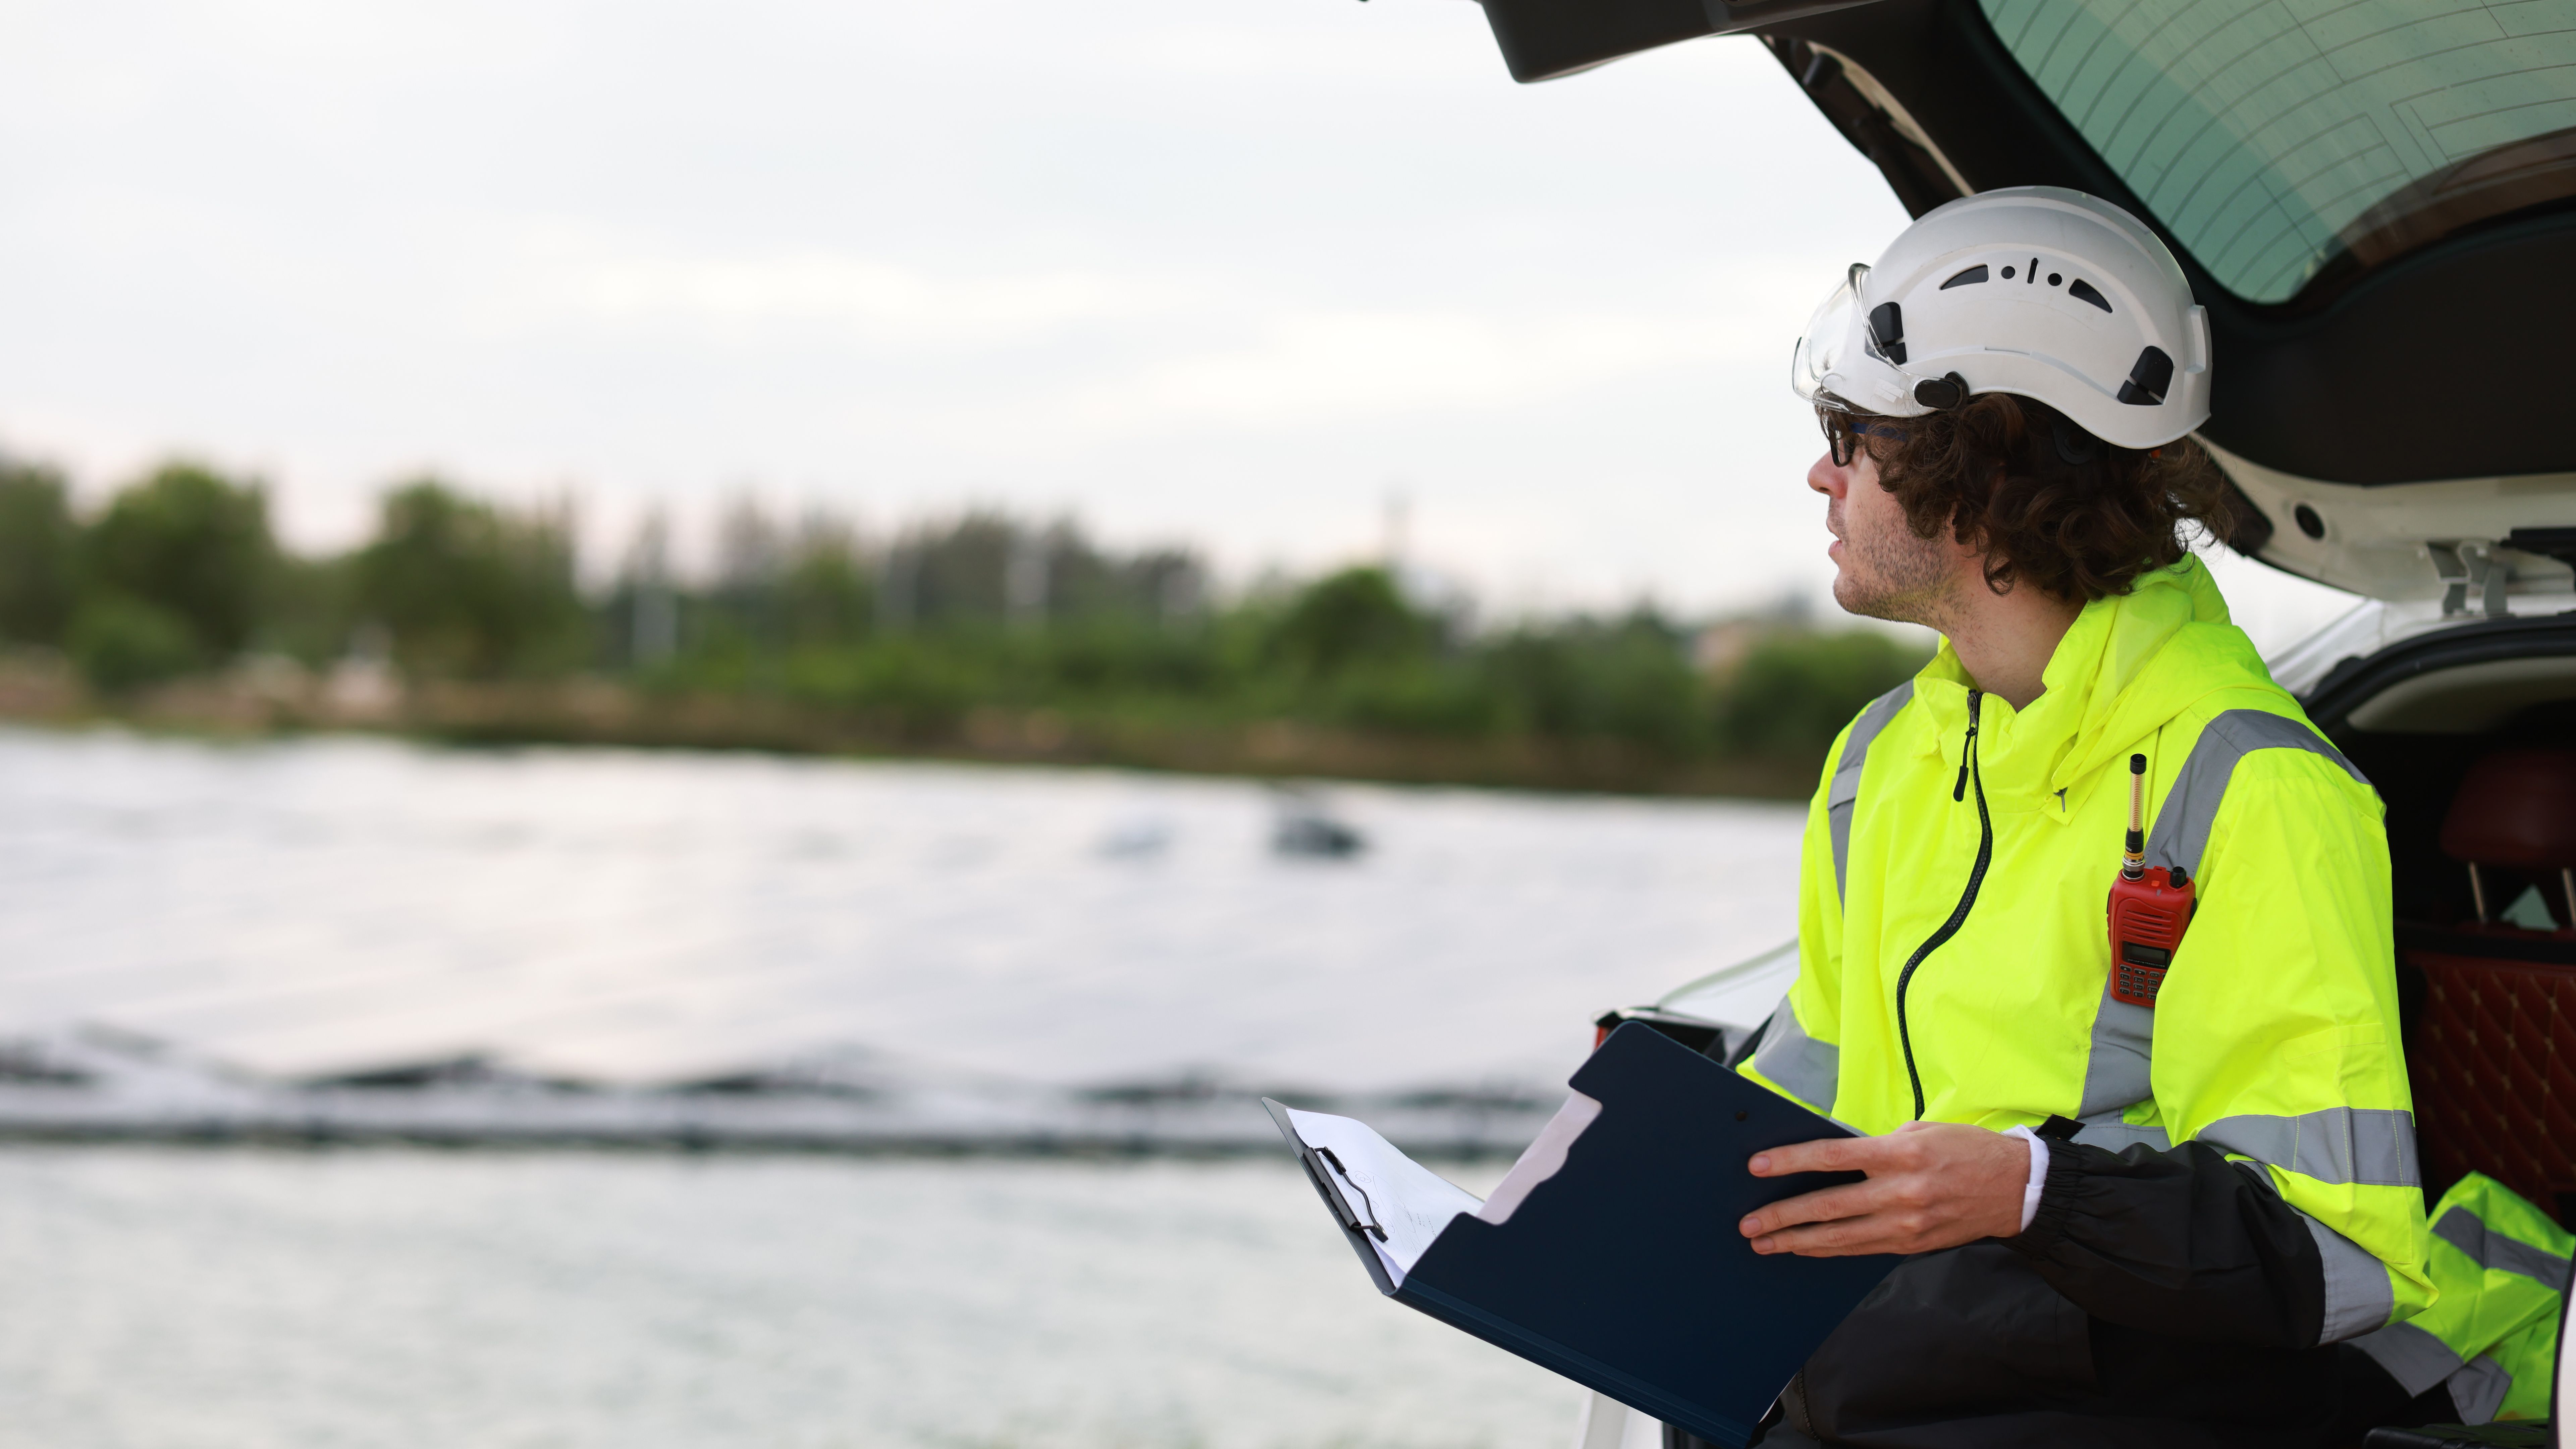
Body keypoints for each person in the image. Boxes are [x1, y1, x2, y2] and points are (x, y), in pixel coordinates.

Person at [1728, 187, 2457, 1447]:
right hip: (1909, 1358)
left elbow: (2332, 1250)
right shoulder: (1880, 760)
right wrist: (1595, 1182)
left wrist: (2029, 1192)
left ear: (1978, 464)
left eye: (1852, 433)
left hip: (2127, 1387)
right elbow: (1804, 1088)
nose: (1820, 471)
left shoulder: (2259, 786)